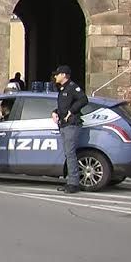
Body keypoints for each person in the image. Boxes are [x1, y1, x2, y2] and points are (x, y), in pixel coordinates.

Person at [51, 65, 88, 194]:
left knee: (70, 154)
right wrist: (55, 112)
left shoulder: (72, 87)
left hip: (71, 125)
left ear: (64, 75)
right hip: (64, 125)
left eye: (57, 74)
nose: (55, 76)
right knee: (68, 153)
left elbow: (84, 99)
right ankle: (70, 181)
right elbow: (63, 107)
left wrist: (71, 111)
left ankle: (73, 183)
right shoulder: (62, 89)